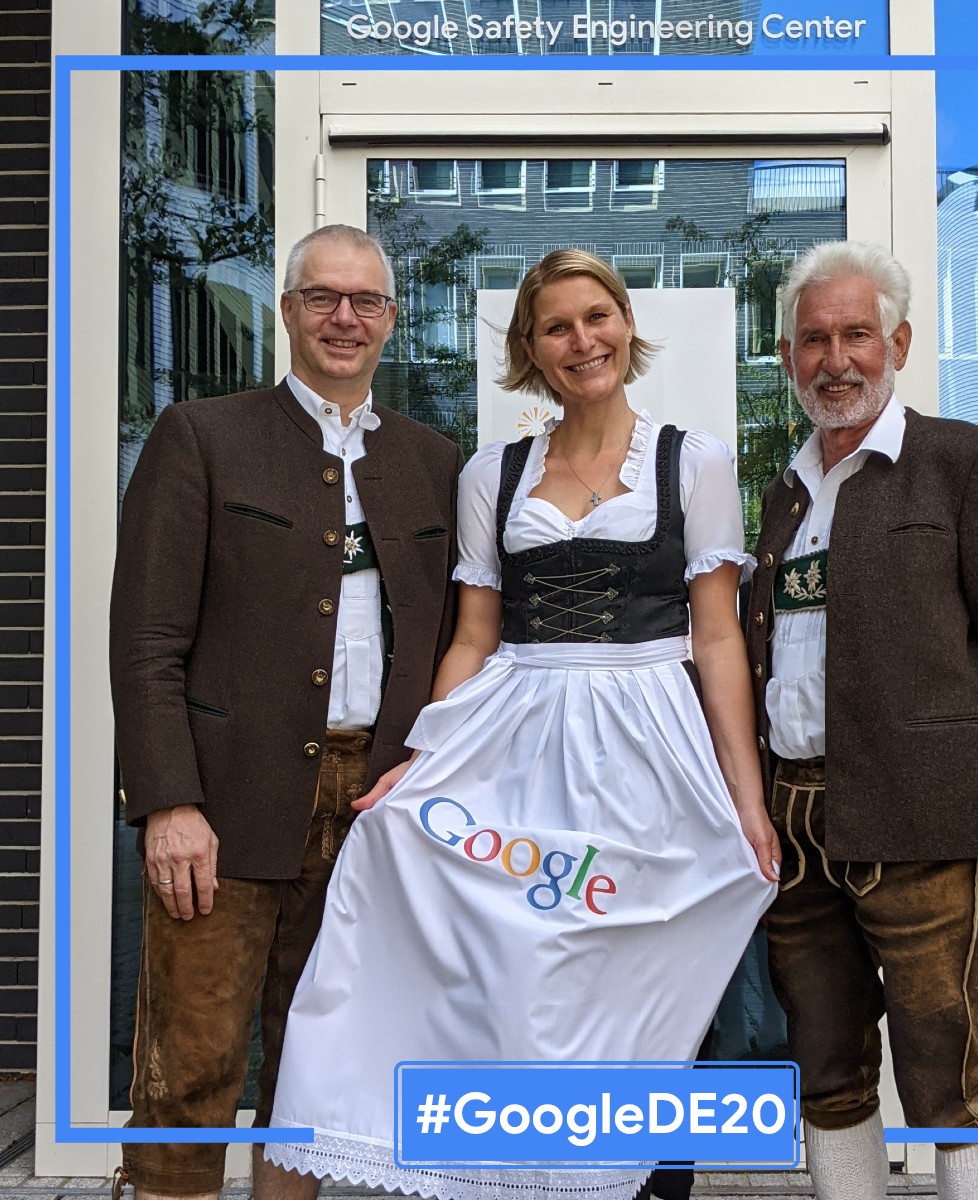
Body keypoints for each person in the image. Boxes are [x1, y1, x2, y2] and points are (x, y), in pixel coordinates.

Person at [262, 249, 779, 1199]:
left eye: (597, 316)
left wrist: (746, 800)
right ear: (531, 351)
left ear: (626, 323)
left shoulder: (693, 459)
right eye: (556, 327)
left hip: (649, 737)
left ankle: (634, 1181)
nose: (582, 340)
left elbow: (717, 638)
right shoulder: (490, 474)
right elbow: (473, 637)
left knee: (635, 974)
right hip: (519, 730)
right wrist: (419, 761)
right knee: (518, 967)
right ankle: (507, 1172)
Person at [109, 224, 462, 1200]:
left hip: (373, 808)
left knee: (316, 1074)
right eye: (323, 298)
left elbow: (452, 642)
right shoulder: (202, 436)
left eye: (366, 301)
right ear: (288, 311)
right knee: (191, 1068)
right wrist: (167, 802)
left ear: (391, 320)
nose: (345, 318)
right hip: (224, 803)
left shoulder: (435, 462)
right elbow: (145, 639)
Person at [744, 241, 978, 1200]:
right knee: (825, 1063)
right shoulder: (784, 491)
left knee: (946, 1072)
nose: (834, 360)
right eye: (814, 340)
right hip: (795, 821)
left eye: (857, 334)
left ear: (899, 344)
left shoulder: (965, 462)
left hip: (929, 818)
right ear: (787, 355)